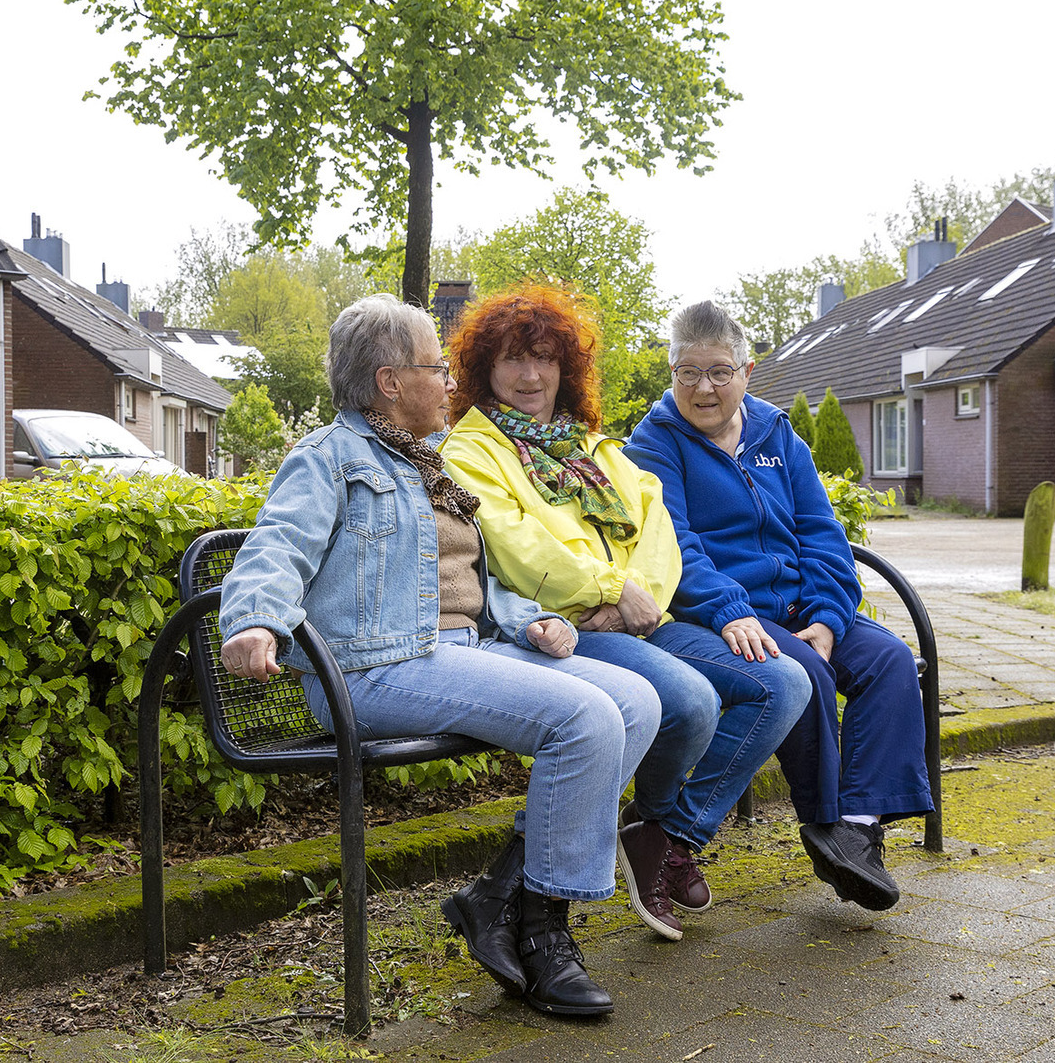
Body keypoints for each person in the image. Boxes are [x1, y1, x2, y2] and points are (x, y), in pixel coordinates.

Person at [217, 293, 661, 1017]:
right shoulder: (328, 458)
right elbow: (275, 547)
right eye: (435, 369)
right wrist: (256, 622)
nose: (451, 383)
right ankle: (545, 936)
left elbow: (465, 582)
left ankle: (499, 898)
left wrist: (533, 621)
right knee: (584, 717)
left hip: (461, 651)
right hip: (374, 666)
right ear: (391, 381)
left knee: (638, 701)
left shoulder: (424, 462)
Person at [439, 284, 809, 940]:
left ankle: (661, 831)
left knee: (783, 684)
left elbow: (658, 531)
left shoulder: (596, 448)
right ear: (484, 371)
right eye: (512, 361)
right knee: (690, 702)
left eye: (545, 359)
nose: (530, 375)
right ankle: (644, 835)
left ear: (566, 368)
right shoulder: (471, 451)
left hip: (634, 619)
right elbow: (518, 548)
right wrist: (610, 589)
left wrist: (636, 596)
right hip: (555, 629)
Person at [625, 300, 935, 912]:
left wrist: (828, 616)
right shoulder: (655, 443)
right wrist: (731, 610)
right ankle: (822, 822)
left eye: (719, 372)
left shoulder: (775, 432)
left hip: (802, 607)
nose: (703, 387)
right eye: (688, 372)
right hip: (727, 615)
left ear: (747, 371)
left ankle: (858, 826)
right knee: (806, 670)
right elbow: (675, 545)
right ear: (672, 374)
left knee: (891, 661)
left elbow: (822, 530)